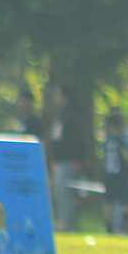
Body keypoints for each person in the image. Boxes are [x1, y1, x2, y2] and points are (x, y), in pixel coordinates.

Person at [48, 84, 89, 231]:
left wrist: (76, 159)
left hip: (68, 162)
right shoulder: (63, 115)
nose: (56, 99)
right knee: (59, 195)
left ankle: (68, 226)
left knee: (66, 196)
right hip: (59, 162)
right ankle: (63, 223)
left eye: (58, 95)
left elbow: (77, 140)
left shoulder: (72, 116)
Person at [101, 113, 128, 234]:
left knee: (108, 201)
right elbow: (127, 159)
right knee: (124, 201)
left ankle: (108, 227)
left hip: (108, 175)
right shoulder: (122, 141)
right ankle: (124, 226)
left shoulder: (107, 141)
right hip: (120, 175)